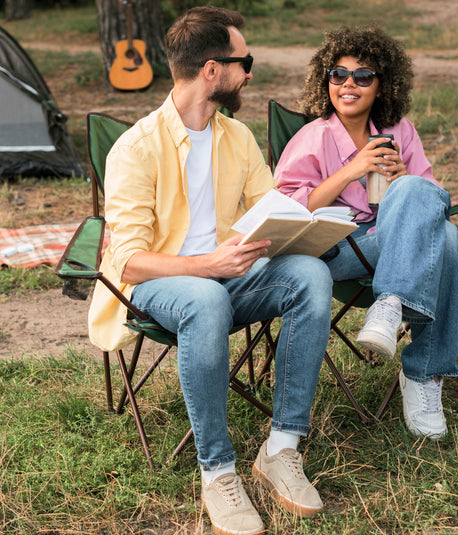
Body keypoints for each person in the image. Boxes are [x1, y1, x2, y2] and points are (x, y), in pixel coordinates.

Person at [88, 7, 333, 535]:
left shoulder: (238, 138)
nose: (250, 72)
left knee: (311, 276)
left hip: (232, 274)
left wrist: (300, 232)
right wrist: (208, 265)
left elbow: (269, 209)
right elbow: (128, 259)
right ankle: (218, 471)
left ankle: (282, 448)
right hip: (162, 285)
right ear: (211, 70)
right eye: (245, 62)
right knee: (205, 298)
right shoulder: (135, 148)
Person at [275, 25, 458, 440]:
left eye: (363, 76)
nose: (348, 84)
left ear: (382, 85)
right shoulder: (314, 136)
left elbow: (432, 199)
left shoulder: (400, 131)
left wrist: (404, 180)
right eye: (337, 74)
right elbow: (289, 208)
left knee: (440, 228)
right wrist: (352, 170)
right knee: (443, 239)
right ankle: (422, 370)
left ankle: (393, 306)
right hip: (339, 248)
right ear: (325, 82)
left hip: (394, 245)